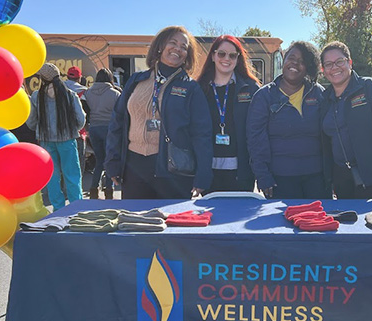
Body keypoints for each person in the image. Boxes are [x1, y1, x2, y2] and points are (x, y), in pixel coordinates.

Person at [105, 26, 212, 199]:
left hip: (173, 171)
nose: (178, 49)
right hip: (134, 167)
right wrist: (112, 161)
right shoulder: (136, 80)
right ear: (161, 45)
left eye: (184, 47)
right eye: (173, 42)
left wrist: (203, 174)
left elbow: (202, 134)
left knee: (172, 224)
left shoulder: (190, 87)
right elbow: (118, 122)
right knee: (134, 222)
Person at [319, 41, 372, 199]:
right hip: (341, 177)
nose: (335, 67)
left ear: (349, 63)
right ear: (323, 70)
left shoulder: (369, 87)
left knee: (369, 221)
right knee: (346, 221)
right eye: (329, 64)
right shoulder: (325, 98)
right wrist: (329, 178)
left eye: (340, 61)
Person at [246, 41, 329, 199]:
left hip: (317, 179)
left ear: (308, 68)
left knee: (318, 223)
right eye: (292, 58)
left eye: (302, 61)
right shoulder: (264, 96)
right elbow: (255, 140)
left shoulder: (318, 93)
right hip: (280, 180)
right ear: (283, 58)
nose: (295, 64)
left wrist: (331, 177)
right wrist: (263, 176)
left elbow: (329, 136)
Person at [196, 35, 261, 193]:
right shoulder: (199, 89)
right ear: (213, 56)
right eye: (221, 54)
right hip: (208, 173)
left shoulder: (251, 88)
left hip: (242, 173)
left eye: (232, 55)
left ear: (238, 59)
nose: (227, 59)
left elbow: (258, 132)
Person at [26, 62, 86, 210]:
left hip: (46, 141)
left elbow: (31, 121)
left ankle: (58, 209)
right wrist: (72, 130)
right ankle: (75, 208)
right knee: (72, 176)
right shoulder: (70, 95)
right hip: (68, 140)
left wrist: (39, 129)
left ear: (42, 79)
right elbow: (81, 119)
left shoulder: (36, 96)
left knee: (52, 178)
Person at [84, 68, 120, 199]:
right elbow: (120, 113)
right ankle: (109, 190)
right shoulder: (115, 94)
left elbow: (85, 111)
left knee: (99, 160)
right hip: (109, 129)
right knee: (109, 160)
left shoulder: (87, 93)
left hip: (93, 129)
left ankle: (94, 189)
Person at [65, 66, 89, 173]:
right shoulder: (84, 92)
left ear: (67, 76)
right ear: (79, 78)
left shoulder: (60, 89)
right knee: (79, 160)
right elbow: (87, 112)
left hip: (62, 130)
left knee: (65, 161)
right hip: (79, 131)